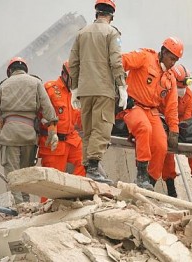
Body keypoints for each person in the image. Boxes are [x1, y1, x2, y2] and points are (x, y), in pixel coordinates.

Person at [69, 0, 126, 184]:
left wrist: (74, 88)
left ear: (96, 13)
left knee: (88, 130)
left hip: (85, 90)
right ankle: (93, 168)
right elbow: (116, 62)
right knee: (101, 128)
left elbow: (73, 63)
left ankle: (88, 167)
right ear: (111, 15)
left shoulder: (81, 33)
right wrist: (122, 87)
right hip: (103, 90)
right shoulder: (112, 33)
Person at [122, 36, 184, 191]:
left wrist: (174, 130)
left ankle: (150, 182)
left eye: (175, 60)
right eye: (171, 58)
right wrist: (120, 90)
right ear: (163, 51)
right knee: (144, 129)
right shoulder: (144, 57)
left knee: (161, 144)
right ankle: (141, 175)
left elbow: (172, 107)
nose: (172, 63)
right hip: (134, 106)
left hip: (152, 111)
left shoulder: (170, 78)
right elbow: (120, 62)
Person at [0, 57, 58, 204]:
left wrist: (1, 125)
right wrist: (52, 132)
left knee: (13, 173)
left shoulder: (3, 85)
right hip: (29, 135)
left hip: (9, 135)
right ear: (25, 69)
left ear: (10, 71)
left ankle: (18, 207)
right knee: (25, 173)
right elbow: (48, 108)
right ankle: (27, 204)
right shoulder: (36, 82)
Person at [161, 64, 192, 202]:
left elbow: (187, 118)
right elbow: (160, 113)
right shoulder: (163, 91)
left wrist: (180, 132)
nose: (182, 90)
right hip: (165, 126)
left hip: (182, 127)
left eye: (184, 87)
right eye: (179, 87)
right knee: (166, 153)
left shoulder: (189, 95)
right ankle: (171, 191)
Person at [38, 61, 85, 177]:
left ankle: (75, 193)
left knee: (87, 162)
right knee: (52, 182)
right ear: (65, 75)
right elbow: (39, 115)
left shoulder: (76, 94)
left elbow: (80, 119)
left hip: (72, 140)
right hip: (54, 143)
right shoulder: (50, 89)